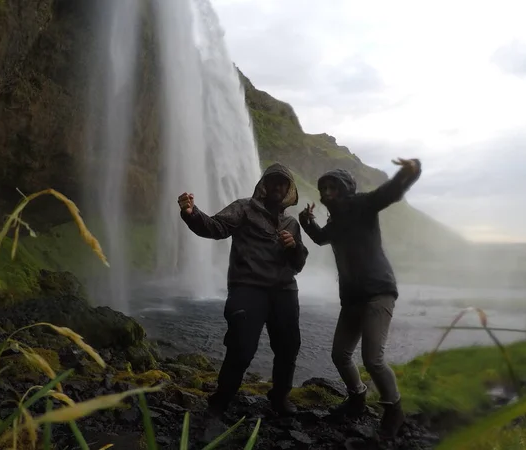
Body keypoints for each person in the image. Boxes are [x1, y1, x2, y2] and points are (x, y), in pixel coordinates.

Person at [298, 158, 422, 438]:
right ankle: (357, 399)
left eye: (333, 187)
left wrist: (409, 171)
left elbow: (389, 193)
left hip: (379, 292)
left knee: (372, 359)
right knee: (340, 354)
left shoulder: (362, 206)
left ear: (345, 189)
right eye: (324, 188)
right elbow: (320, 238)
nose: (327, 193)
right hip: (352, 297)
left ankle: (394, 409)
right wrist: (307, 222)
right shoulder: (336, 222)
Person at [178, 163, 309, 416]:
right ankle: (221, 399)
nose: (278, 187)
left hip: (284, 291)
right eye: (273, 181)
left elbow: (299, 265)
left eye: (283, 183)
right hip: (248, 288)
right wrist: (192, 214)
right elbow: (216, 227)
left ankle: (280, 398)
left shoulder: (291, 223)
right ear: (264, 185)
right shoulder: (244, 208)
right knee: (241, 347)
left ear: (287, 189)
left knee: (289, 347)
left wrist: (294, 247)